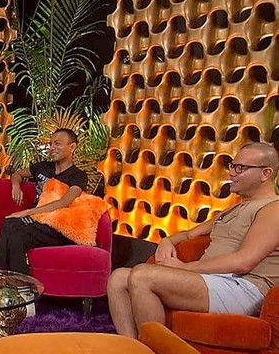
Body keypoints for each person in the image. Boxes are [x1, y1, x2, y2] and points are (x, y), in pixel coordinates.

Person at [108, 142, 279, 338]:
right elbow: (189, 235)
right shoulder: (235, 207)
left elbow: (243, 262)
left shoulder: (273, 209)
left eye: (240, 168)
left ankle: (155, 351)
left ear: (266, 173)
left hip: (245, 287)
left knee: (142, 276)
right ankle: (132, 347)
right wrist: (166, 242)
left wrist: (184, 268)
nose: (231, 173)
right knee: (118, 278)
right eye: (232, 166)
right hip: (214, 280)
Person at [0, 128, 89, 273]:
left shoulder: (78, 176)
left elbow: (64, 202)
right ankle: (17, 280)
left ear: (72, 147)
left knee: (12, 227)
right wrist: (16, 185)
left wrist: (27, 212)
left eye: (57, 144)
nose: (52, 148)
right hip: (36, 223)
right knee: (12, 227)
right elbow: (17, 174)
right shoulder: (42, 167)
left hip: (57, 227)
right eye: (50, 144)